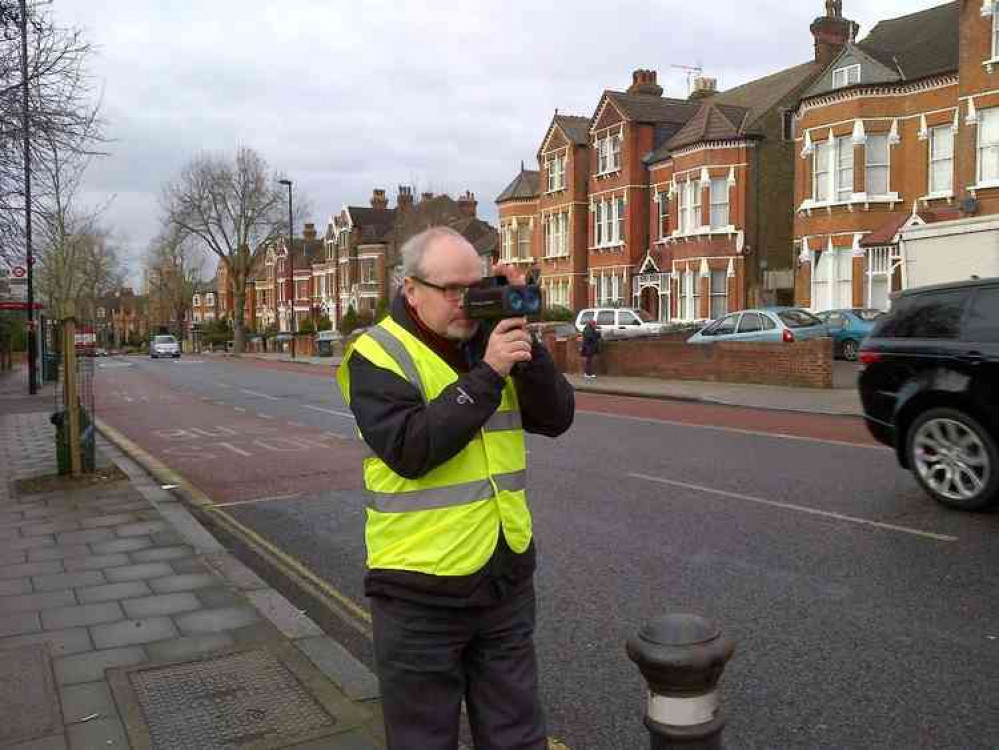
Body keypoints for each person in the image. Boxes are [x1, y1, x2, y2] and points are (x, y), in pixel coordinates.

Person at [337, 226, 575, 750]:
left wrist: (524, 346)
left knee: (518, 737)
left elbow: (557, 417)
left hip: (503, 579)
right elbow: (411, 449)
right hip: (418, 592)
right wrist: (489, 372)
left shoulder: (489, 340)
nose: (466, 301)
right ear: (410, 289)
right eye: (452, 290)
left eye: (476, 286)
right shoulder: (375, 355)